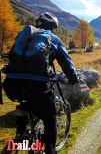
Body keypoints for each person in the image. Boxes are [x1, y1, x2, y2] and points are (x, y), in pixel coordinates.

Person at [3, 12, 79, 153]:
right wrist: (74, 80)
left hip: (11, 85)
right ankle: (49, 149)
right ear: (52, 27)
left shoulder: (24, 36)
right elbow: (67, 64)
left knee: (25, 103)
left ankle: (21, 136)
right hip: (37, 87)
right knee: (50, 118)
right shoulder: (53, 38)